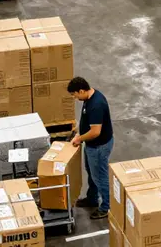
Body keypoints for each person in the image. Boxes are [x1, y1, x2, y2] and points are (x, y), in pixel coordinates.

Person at [68, 77, 114, 220]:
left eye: (75, 95)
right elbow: (87, 120)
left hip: (99, 147)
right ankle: (92, 198)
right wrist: (79, 130)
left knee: (99, 176)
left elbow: (95, 132)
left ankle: (106, 207)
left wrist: (79, 139)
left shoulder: (96, 105)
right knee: (91, 172)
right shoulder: (89, 97)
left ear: (81, 91)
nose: (75, 98)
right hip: (92, 146)